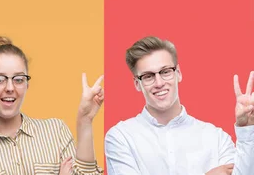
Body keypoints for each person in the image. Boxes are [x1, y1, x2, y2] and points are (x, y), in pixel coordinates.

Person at [105, 36, 254, 175]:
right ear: (137, 84)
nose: (159, 83)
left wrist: (247, 131)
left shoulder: (216, 138)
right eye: (148, 76)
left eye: (165, 72)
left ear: (179, 73)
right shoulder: (121, 137)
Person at [0, 36, 104, 175]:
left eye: (19, 79)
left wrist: (85, 120)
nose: (10, 88)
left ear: (27, 85)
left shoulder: (55, 131)